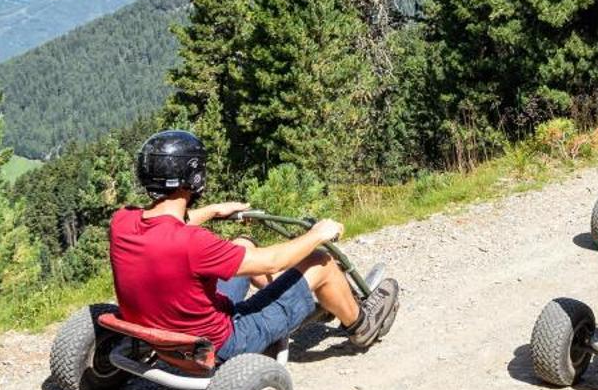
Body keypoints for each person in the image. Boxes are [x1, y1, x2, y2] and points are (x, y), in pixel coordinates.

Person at [108, 129, 398, 359]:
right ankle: (361, 325)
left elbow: (167, 225)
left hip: (161, 328)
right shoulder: (193, 244)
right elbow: (273, 261)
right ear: (194, 176)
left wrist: (212, 210)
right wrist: (317, 234)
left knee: (243, 244)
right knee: (321, 262)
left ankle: (301, 298)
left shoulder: (122, 221)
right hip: (222, 342)